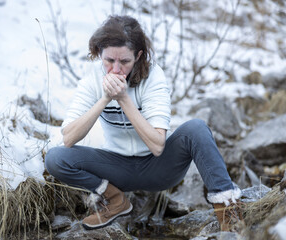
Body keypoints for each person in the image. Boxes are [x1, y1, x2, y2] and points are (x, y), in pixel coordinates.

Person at [45, 15, 243, 232]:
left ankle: (229, 213)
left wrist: (123, 99)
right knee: (56, 158)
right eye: (109, 60)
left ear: (138, 56)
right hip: (116, 168)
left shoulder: (154, 77)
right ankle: (115, 200)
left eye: (125, 61)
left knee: (196, 128)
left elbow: (158, 146)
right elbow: (69, 137)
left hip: (159, 168)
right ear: (100, 53)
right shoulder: (92, 79)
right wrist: (104, 99)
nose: (116, 69)